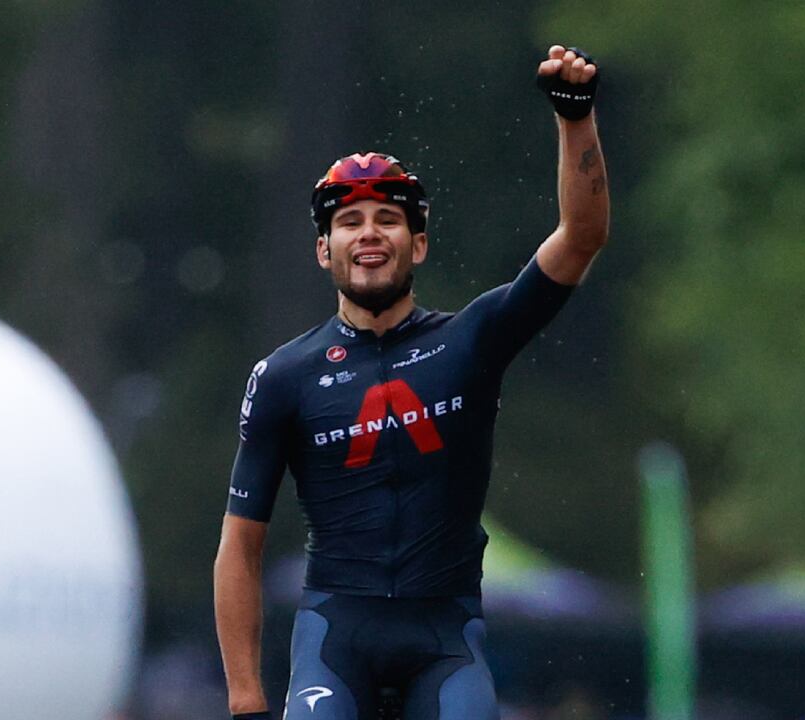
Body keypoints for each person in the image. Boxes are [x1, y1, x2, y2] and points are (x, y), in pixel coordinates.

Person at [214, 45, 610, 720]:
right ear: (324, 250)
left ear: (418, 244)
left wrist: (576, 119)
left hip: (444, 636)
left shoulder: (470, 339)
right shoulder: (284, 375)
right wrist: (246, 697)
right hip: (337, 636)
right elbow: (240, 545)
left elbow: (581, 237)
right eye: (349, 222)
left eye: (388, 218)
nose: (369, 234)